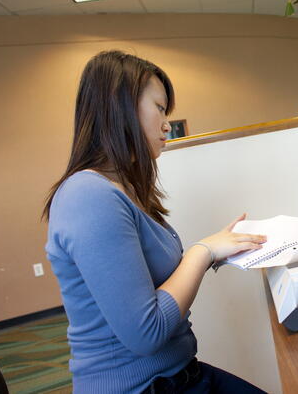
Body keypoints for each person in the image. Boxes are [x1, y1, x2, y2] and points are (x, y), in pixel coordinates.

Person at [42, 50, 268, 393]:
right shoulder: (88, 196)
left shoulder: (125, 188)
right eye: (160, 108)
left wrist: (215, 250)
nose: (167, 124)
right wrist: (202, 252)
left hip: (178, 374)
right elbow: (145, 332)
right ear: (120, 106)